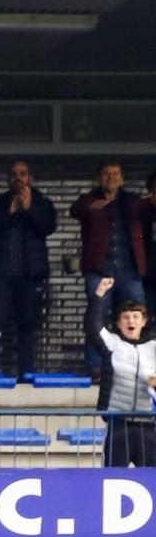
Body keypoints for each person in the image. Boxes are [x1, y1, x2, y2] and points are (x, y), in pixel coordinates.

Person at [0, 162, 57, 376]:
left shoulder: (42, 202)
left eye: (22, 174)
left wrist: (29, 208)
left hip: (30, 276)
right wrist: (10, 211)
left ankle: (26, 373)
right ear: (7, 179)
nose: (18, 178)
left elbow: (48, 227)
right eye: (13, 175)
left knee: (27, 325)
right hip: (0, 275)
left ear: (30, 177)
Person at [75, 163, 149, 372]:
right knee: (97, 316)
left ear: (122, 179)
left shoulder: (132, 201)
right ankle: (95, 367)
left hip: (130, 270)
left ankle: (137, 366)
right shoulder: (89, 199)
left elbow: (147, 208)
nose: (111, 178)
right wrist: (94, 205)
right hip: (100, 270)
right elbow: (76, 210)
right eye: (106, 174)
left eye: (115, 174)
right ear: (99, 178)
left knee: (136, 317)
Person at [86, 279, 155, 469]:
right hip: (119, 423)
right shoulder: (112, 343)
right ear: (118, 323)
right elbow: (92, 327)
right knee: (112, 477)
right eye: (126, 317)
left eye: (135, 316)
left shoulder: (154, 347)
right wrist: (99, 295)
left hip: (148, 425)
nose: (131, 321)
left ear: (144, 321)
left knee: (151, 480)